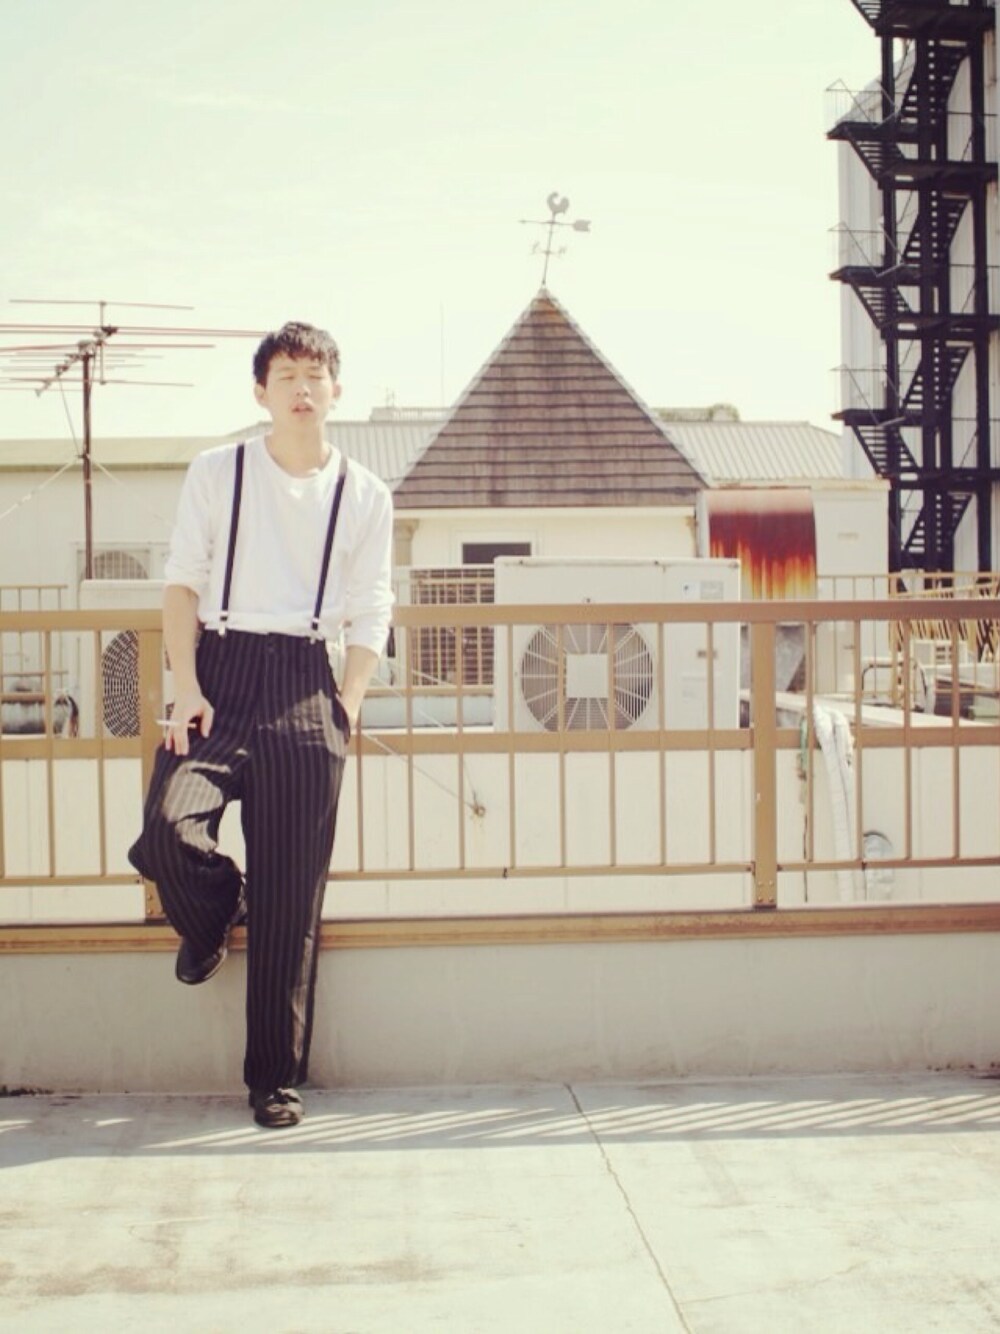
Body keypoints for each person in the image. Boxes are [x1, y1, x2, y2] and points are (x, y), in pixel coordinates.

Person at [129, 320, 393, 1129]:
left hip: (308, 684)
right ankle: (215, 911)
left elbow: (372, 606)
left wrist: (347, 703)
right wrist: (186, 685)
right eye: (286, 375)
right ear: (261, 391)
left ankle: (273, 1080)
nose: (302, 388)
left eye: (315, 375)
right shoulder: (219, 471)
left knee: (291, 897)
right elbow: (182, 584)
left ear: (336, 390)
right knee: (167, 831)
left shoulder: (365, 493)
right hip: (221, 672)